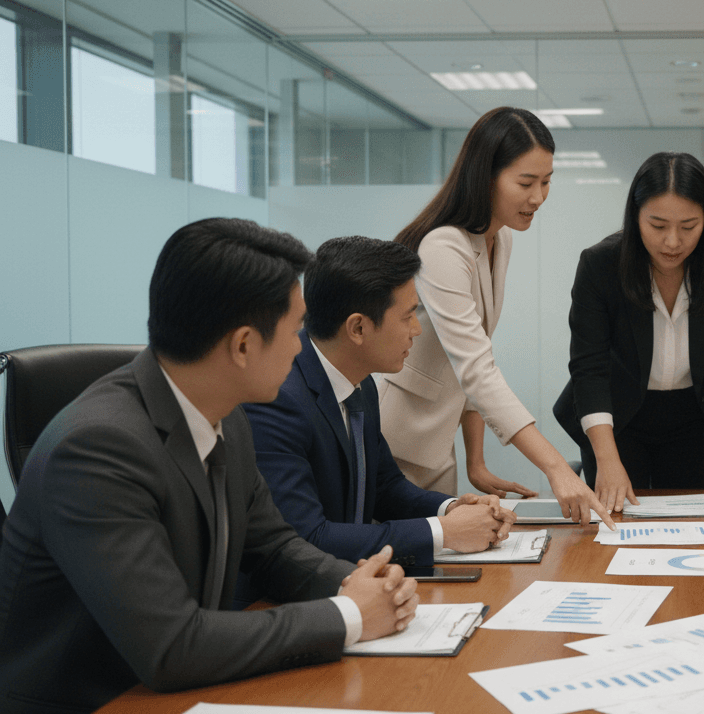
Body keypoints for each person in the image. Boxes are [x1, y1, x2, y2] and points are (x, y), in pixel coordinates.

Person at [0, 218, 418, 713]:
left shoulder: (225, 416)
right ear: (242, 345)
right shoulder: (96, 449)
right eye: (294, 330)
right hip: (98, 700)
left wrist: (358, 583)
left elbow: (274, 547)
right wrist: (347, 615)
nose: (300, 347)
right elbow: (172, 645)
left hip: (190, 687)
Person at [380, 106, 614, 528]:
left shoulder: (498, 238)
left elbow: (473, 353)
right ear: (485, 177)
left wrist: (477, 460)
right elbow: (477, 370)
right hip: (395, 442)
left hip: (435, 444)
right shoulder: (442, 246)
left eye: (546, 182)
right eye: (526, 183)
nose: (538, 197)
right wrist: (557, 467)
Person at [241, 236, 517, 593]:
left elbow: (385, 487)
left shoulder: (360, 381)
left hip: (354, 585)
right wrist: (443, 533)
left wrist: (452, 508)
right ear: (358, 328)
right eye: (408, 317)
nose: (417, 330)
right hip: (282, 600)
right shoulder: (278, 398)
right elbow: (306, 537)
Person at [554, 152, 704, 510]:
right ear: (635, 216)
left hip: (694, 419)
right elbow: (589, 368)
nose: (673, 242)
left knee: (695, 519)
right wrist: (608, 462)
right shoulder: (600, 265)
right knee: (618, 521)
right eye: (657, 226)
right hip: (617, 417)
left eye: (688, 226)